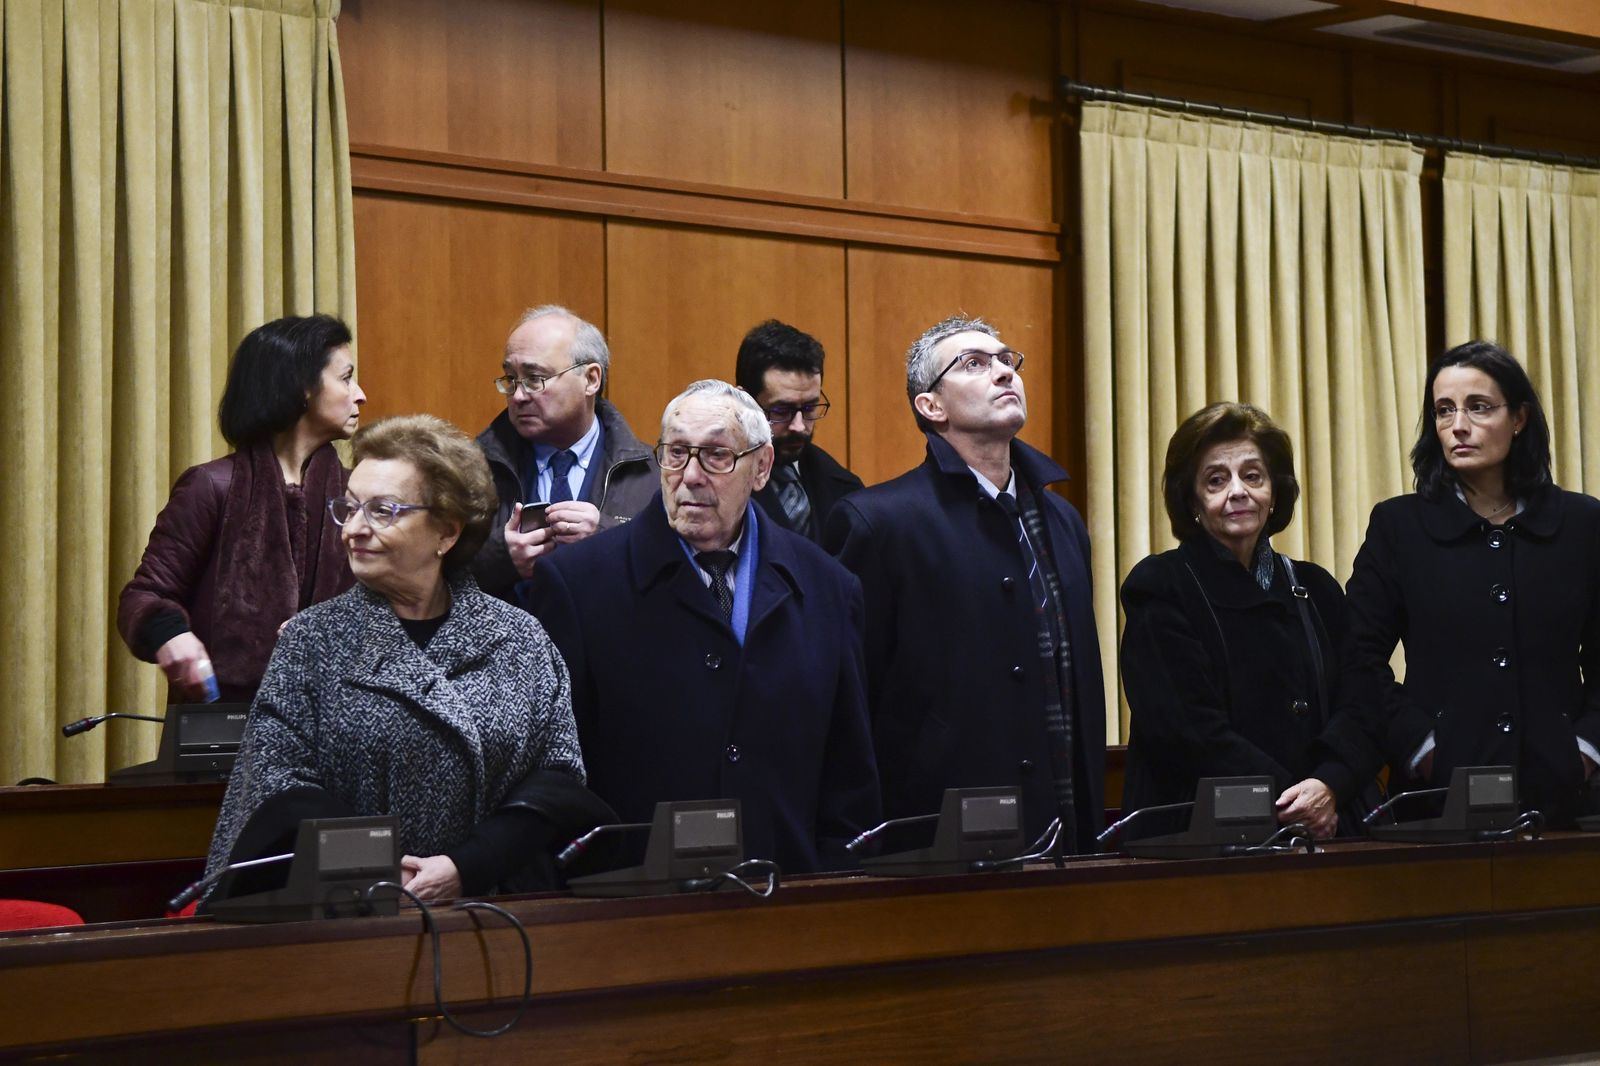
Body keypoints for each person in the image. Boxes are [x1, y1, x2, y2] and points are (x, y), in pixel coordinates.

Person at [205, 415, 590, 901]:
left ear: (446, 532)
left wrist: (466, 866)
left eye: (383, 511)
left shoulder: (519, 638)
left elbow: (557, 781)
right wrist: (382, 869)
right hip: (351, 915)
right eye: (349, 508)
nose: (354, 530)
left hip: (497, 911)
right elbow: (277, 784)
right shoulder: (310, 641)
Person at [524, 380, 880, 874]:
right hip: (633, 902)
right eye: (675, 454)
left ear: (762, 468)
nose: (690, 476)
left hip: (786, 896)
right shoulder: (579, 584)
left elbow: (849, 775)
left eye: (716, 455)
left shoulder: (828, 588)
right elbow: (555, 771)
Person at [825, 315, 1105, 852]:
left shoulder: (1063, 519)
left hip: (1069, 819)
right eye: (974, 364)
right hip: (939, 828)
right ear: (931, 407)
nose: (1003, 373)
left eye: (1006, 360)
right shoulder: (879, 521)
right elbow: (853, 695)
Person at [1345, 341, 1600, 825]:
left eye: (1478, 408)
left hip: (1562, 798)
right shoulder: (1399, 526)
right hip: (1436, 799)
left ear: (1519, 417)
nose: (1457, 426)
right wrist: (1421, 748)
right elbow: (1358, 656)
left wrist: (1585, 749)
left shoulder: (1583, 523)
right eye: (1444, 411)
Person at [1119, 403, 1381, 839]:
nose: (1237, 491)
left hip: (1327, 829)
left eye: (1253, 476)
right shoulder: (1161, 586)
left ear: (1274, 492)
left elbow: (1364, 702)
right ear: (1192, 499)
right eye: (1216, 479)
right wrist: (1294, 799)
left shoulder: (1316, 587)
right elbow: (1186, 732)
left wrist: (1329, 783)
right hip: (1207, 840)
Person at [118, 314, 364, 703]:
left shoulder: (360, 495)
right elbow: (144, 596)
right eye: (346, 378)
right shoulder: (211, 486)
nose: (360, 394)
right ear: (302, 387)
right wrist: (170, 634)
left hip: (336, 722)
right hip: (227, 728)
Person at [473, 305, 658, 600]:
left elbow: (675, 574)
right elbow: (433, 573)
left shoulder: (654, 475)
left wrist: (606, 537)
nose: (518, 396)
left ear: (591, 379)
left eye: (535, 378)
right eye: (510, 378)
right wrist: (501, 559)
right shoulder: (472, 469)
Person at [734, 319, 863, 542]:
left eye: (810, 407)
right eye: (782, 410)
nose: (799, 426)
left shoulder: (845, 488)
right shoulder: (709, 481)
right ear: (744, 401)